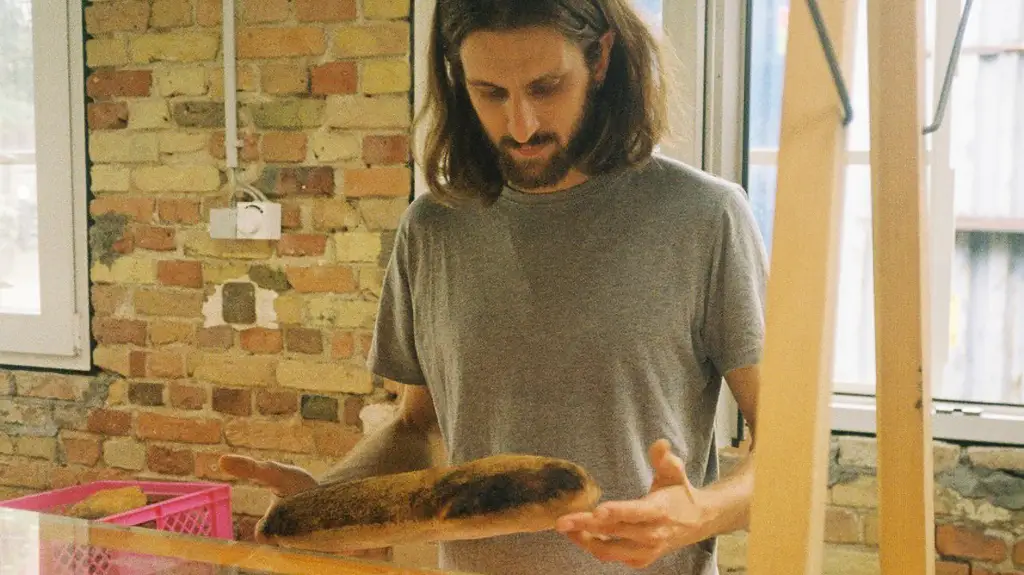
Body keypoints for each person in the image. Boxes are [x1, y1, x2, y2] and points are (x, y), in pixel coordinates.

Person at [221, 0, 767, 573]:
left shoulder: (705, 217)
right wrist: (332, 502)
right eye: (491, 93)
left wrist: (700, 513)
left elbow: (784, 448)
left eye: (546, 87)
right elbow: (416, 427)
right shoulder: (434, 227)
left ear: (600, 57)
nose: (521, 125)